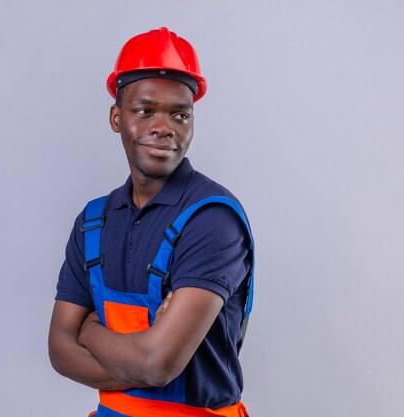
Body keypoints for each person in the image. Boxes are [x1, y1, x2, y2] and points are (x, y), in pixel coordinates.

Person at [48, 27, 255, 417]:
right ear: (116, 116)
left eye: (180, 114)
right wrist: (140, 355)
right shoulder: (93, 222)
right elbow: (59, 347)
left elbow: (159, 364)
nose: (164, 127)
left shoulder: (212, 221)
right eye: (145, 111)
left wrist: (91, 333)